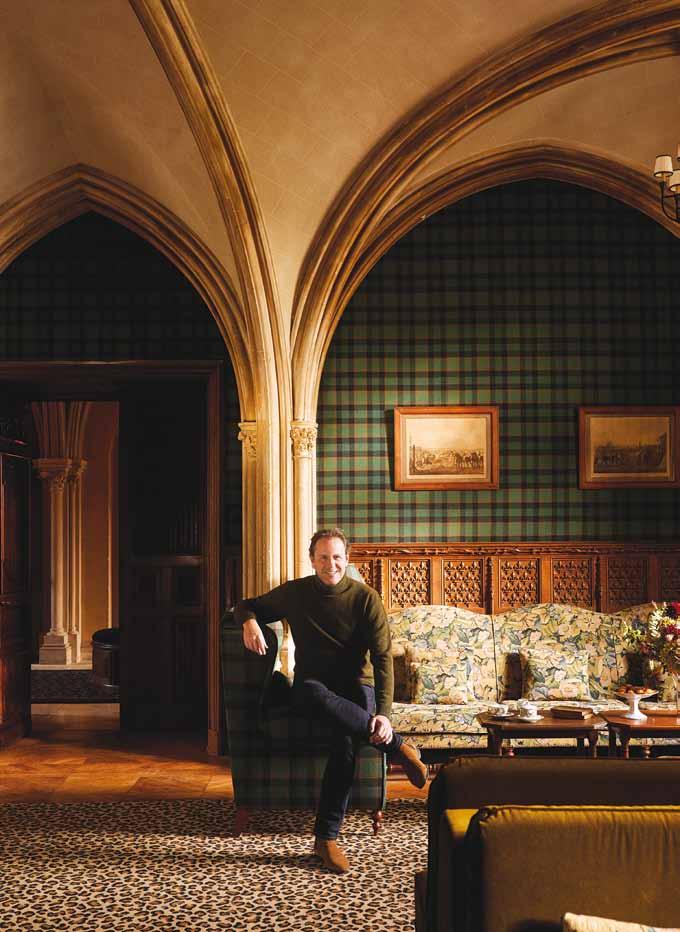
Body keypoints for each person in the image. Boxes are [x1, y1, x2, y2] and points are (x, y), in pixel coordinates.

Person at [234, 527, 428, 874]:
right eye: (323, 557)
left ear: (347, 559)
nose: (331, 564)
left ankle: (325, 838)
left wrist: (384, 714)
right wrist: (249, 622)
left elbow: (383, 659)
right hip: (314, 686)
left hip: (357, 686)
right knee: (311, 692)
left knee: (346, 741)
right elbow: (246, 605)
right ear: (312, 560)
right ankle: (398, 747)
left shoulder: (366, 598)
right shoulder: (295, 592)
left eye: (337, 557)